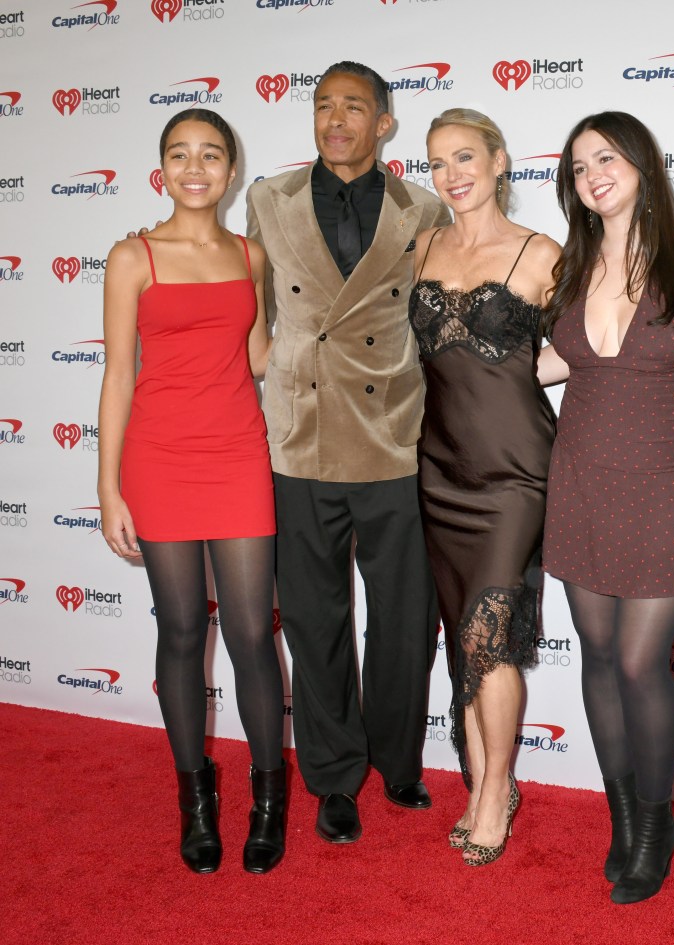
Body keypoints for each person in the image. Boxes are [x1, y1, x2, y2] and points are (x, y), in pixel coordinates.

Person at [245, 61, 450, 844]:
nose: (336, 119)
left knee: (404, 618)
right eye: (324, 105)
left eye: (354, 106)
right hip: (300, 438)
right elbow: (240, 285)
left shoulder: (423, 209)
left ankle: (397, 761)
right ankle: (334, 777)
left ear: (384, 123)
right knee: (313, 616)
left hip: (394, 436)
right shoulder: (269, 199)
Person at [537, 112, 674, 904]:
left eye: (606, 158)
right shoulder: (569, 265)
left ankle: (657, 826)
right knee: (599, 652)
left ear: (642, 163)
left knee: (645, 661)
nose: (592, 176)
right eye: (579, 167)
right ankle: (622, 817)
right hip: (581, 475)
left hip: (673, 480)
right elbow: (547, 363)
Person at [98, 108, 286, 875]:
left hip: (238, 454)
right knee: (180, 630)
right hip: (159, 458)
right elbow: (118, 373)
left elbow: (259, 356)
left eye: (211, 154)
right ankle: (196, 802)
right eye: (180, 154)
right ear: (162, 168)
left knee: (249, 635)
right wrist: (108, 487)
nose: (196, 166)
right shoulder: (132, 256)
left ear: (232, 170)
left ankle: (269, 801)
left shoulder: (251, 255)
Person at [409, 108, 560, 866]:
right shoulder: (424, 245)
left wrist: (519, 367)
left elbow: (591, 349)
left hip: (515, 472)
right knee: (459, 638)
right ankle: (478, 782)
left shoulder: (541, 254)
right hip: (437, 468)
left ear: (500, 161)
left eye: (465, 157)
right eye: (436, 163)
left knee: (489, 634)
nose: (451, 175)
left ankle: (496, 789)